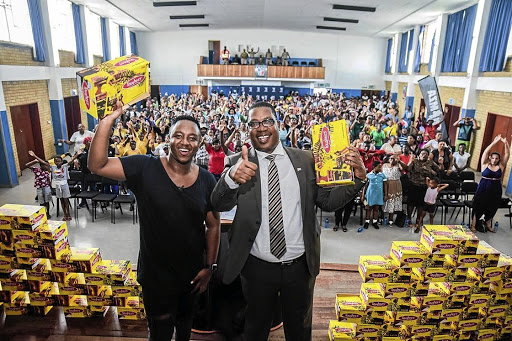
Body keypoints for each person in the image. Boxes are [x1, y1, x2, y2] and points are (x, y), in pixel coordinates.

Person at [210, 101, 367, 341]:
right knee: (255, 329)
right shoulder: (236, 162)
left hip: (300, 267)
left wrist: (358, 179)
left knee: (300, 330)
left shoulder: (305, 159)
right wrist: (231, 179)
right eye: (254, 123)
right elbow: (219, 204)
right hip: (256, 268)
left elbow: (326, 202)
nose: (261, 128)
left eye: (267, 121)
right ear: (248, 129)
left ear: (278, 125)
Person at [88, 102, 221, 341]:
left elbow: (213, 225)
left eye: (192, 138)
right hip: (156, 278)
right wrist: (107, 121)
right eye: (178, 136)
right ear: (167, 139)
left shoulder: (207, 180)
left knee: (184, 329)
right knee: (159, 333)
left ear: (199, 144)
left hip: (192, 276)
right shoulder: (144, 168)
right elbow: (97, 165)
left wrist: (209, 267)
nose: (184, 142)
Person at [471, 134, 510, 233]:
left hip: (496, 189)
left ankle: (488, 224)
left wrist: (506, 144)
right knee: (478, 206)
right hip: (483, 188)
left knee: (492, 206)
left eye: (497, 159)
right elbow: (485, 152)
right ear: (490, 158)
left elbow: (507, 155)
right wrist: (494, 142)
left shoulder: (501, 166)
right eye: (493, 158)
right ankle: (473, 225)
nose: (494, 160)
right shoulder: (484, 164)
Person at [404, 149, 440, 229]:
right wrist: (411, 161)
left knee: (421, 205)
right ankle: (409, 219)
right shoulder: (415, 161)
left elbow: (438, 170)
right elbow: (408, 169)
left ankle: (418, 220)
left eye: (426, 154)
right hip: (413, 185)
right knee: (411, 203)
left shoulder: (430, 162)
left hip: (424, 186)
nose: (424, 155)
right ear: (419, 155)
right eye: (422, 154)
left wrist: (434, 169)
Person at [25, 154, 52, 219]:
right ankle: (42, 213)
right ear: (41, 165)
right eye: (44, 165)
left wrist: (51, 187)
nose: (46, 166)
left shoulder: (48, 171)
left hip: (46, 187)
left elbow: (48, 180)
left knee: (47, 201)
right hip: (39, 188)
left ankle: (47, 213)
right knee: (41, 201)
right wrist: (35, 161)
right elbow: (27, 165)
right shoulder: (36, 170)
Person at [362, 161, 386, 229]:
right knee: (368, 208)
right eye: (379, 167)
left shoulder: (382, 175)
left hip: (378, 194)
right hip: (370, 194)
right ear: (374, 167)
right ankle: (367, 222)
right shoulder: (369, 175)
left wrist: (386, 194)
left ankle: (375, 222)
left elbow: (385, 185)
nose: (381, 168)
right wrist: (363, 195)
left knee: (376, 208)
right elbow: (365, 186)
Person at [382, 155, 404, 227]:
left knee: (392, 202)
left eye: (394, 158)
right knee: (384, 201)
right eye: (391, 158)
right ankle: (381, 218)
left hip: (395, 185)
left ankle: (390, 220)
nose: (392, 160)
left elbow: (403, 169)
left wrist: (399, 161)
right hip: (385, 184)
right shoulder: (384, 165)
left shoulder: (398, 165)